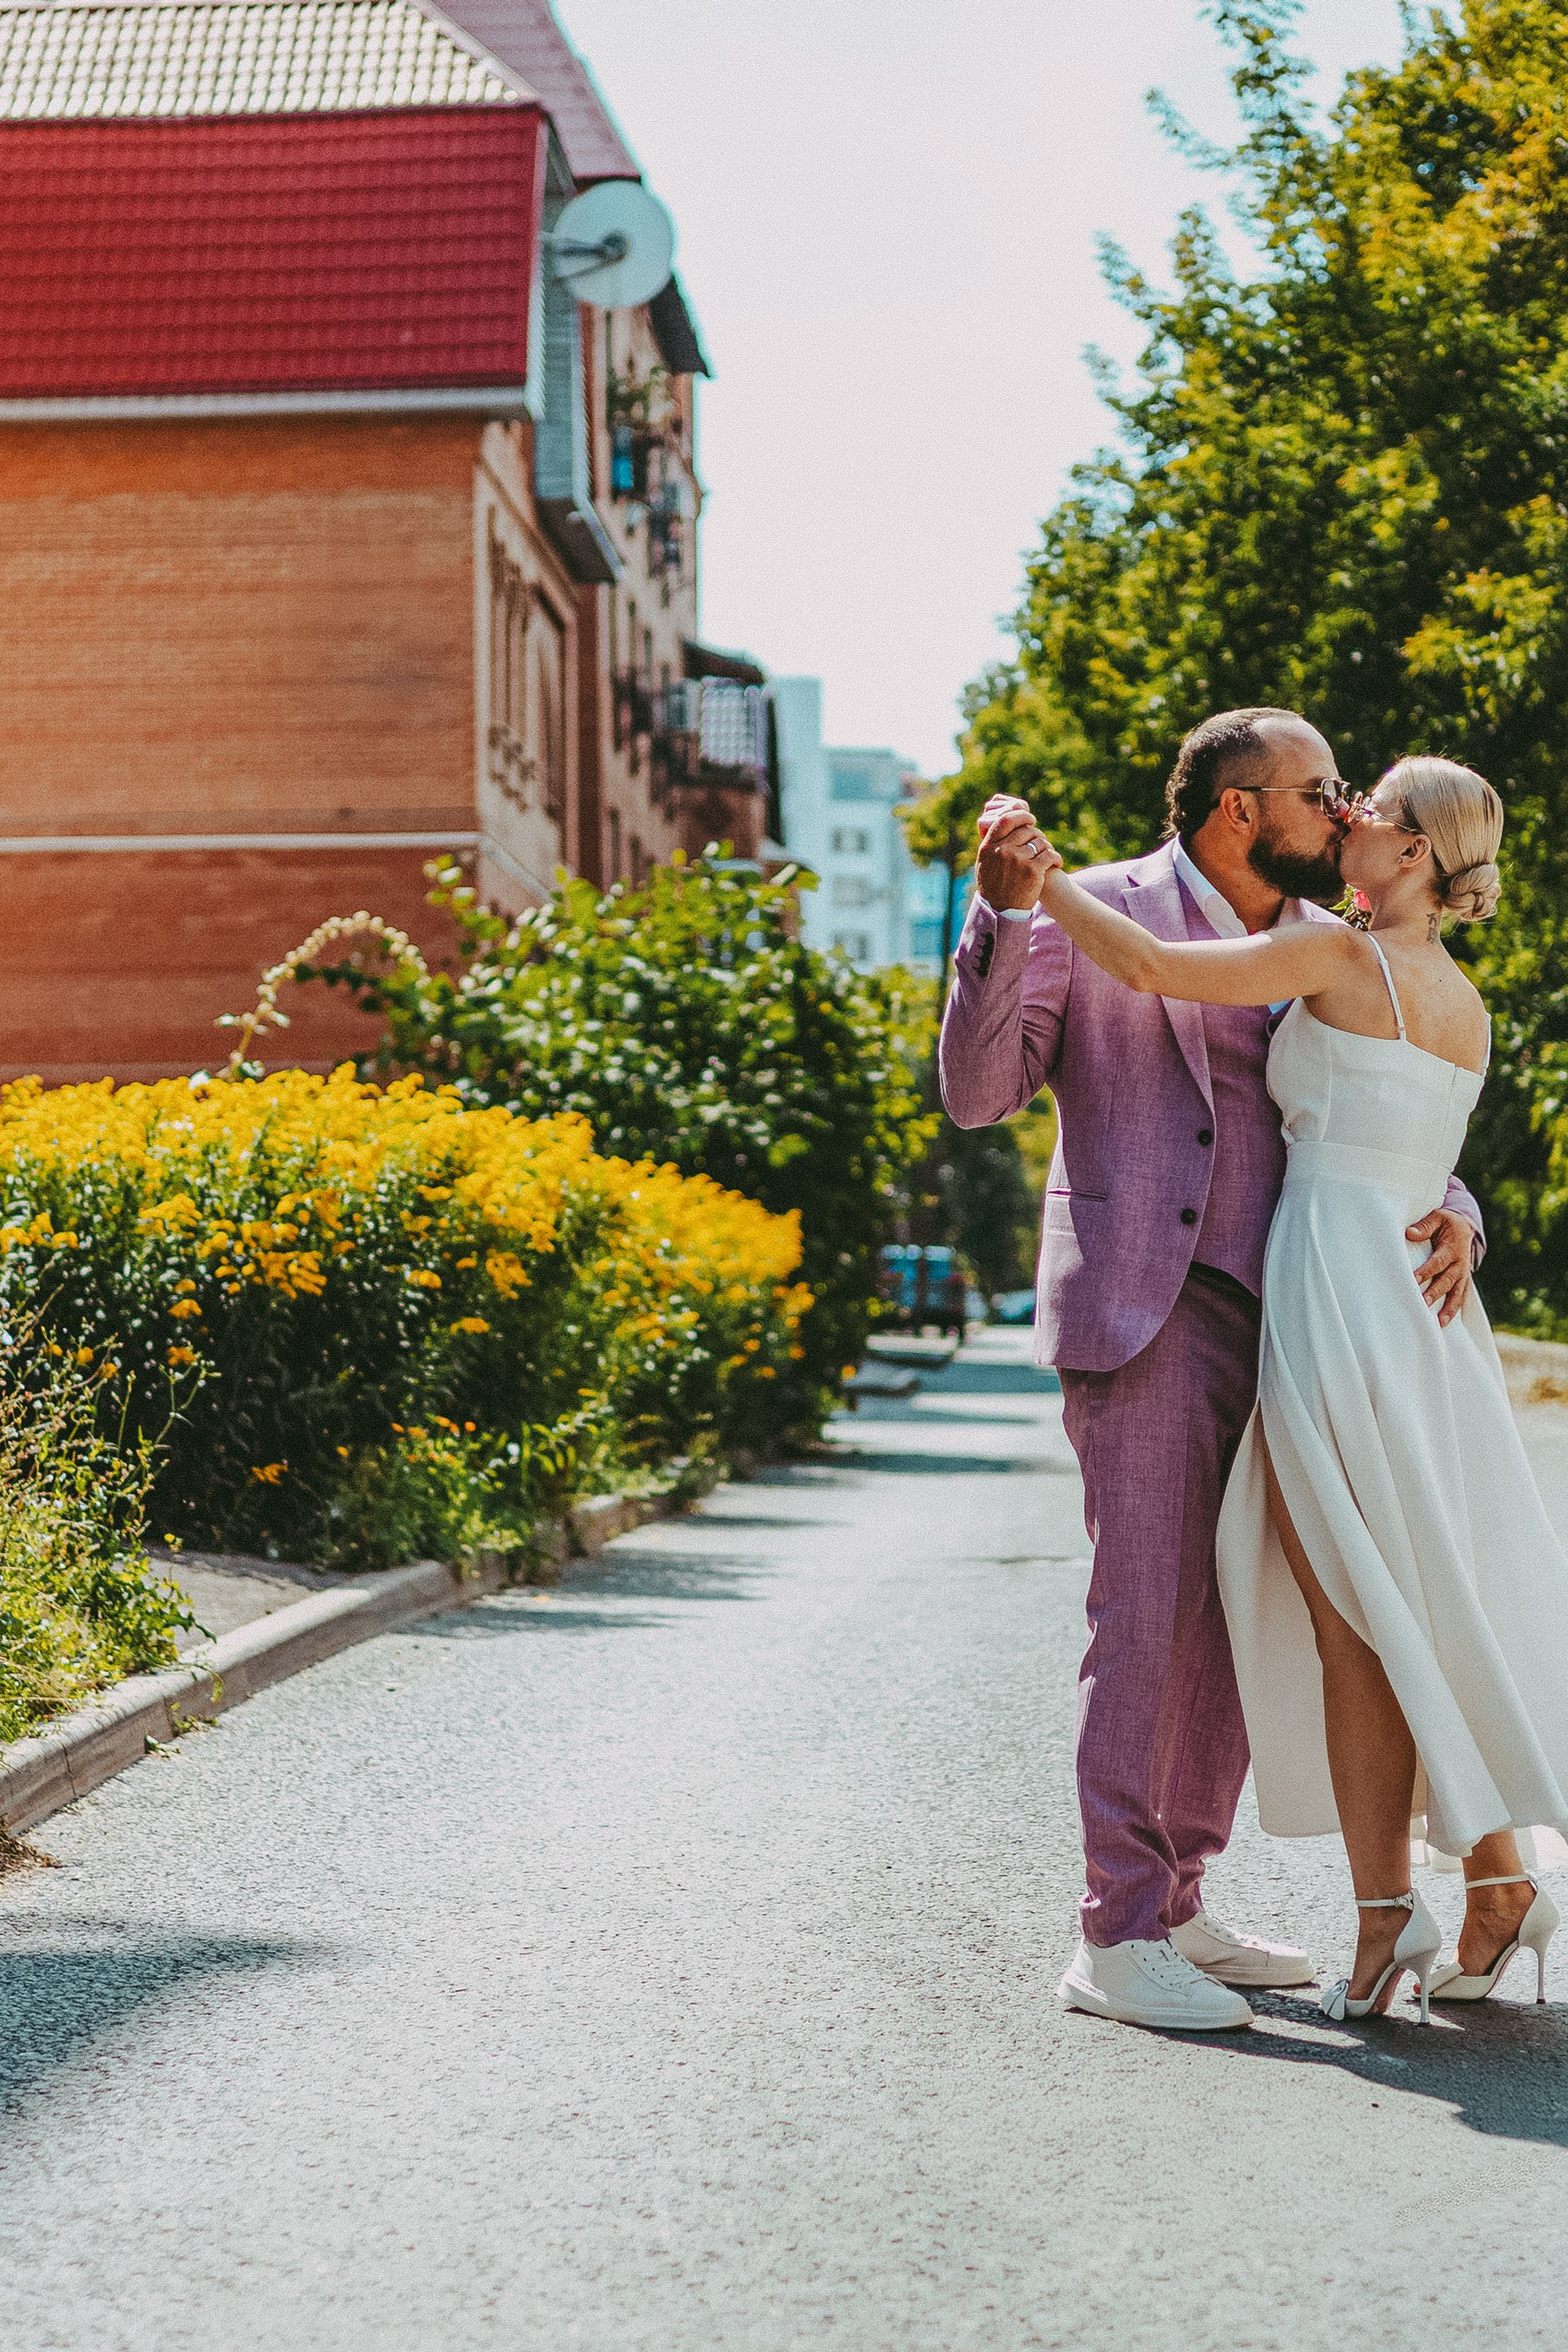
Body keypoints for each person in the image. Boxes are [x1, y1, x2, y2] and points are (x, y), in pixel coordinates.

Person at [940, 708, 1485, 2032]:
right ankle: (1113, 1935)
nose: (1339, 811)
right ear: (1240, 809)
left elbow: (1372, 1106)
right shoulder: (1093, 907)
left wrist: (1459, 1201)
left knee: (1240, 1619)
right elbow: (973, 1091)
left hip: (1300, 1317)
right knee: (1143, 1615)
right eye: (1319, 791)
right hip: (1141, 1307)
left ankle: (1178, 1896)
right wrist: (1005, 918)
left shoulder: (1328, 948)